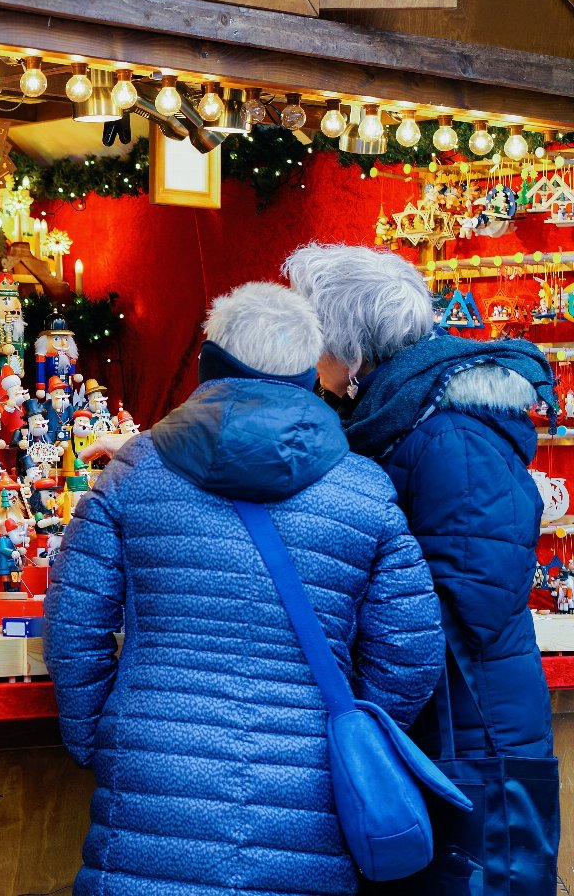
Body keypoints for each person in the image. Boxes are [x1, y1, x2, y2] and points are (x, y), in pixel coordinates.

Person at [45, 282, 443, 896]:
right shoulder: (364, 490)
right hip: (309, 780)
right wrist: (352, 738)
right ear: (310, 373)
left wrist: (100, 733)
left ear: (211, 361)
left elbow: (74, 623)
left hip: (156, 760)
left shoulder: (135, 470)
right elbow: (411, 652)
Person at [285, 243, 560, 886]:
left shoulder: (446, 433)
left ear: (348, 344)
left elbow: (476, 593)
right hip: (444, 733)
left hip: (476, 743)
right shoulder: (399, 416)